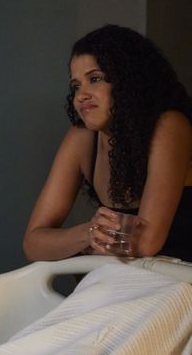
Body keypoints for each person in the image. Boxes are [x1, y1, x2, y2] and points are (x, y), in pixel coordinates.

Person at [23, 25, 192, 262]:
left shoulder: (170, 126)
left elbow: (145, 243)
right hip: (124, 278)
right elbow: (33, 244)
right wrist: (87, 233)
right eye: (76, 85)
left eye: (95, 79)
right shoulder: (81, 138)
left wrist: (89, 245)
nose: (81, 95)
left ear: (128, 81)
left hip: (179, 280)